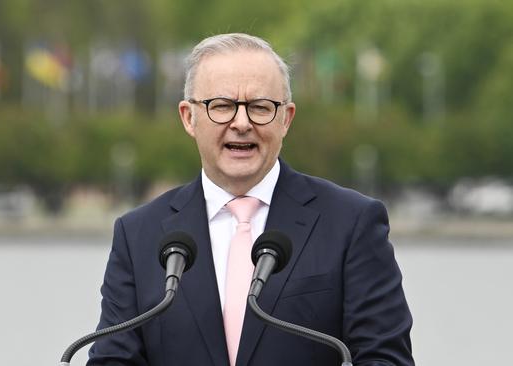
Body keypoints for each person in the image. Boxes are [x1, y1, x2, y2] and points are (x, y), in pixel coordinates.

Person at [87, 33, 414, 366]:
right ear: (189, 117)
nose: (241, 123)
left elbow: (385, 359)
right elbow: (113, 359)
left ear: (286, 118)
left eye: (260, 107)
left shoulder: (351, 223)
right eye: (222, 106)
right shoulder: (138, 234)